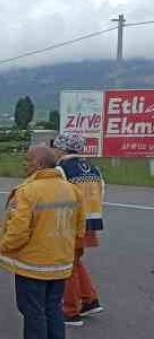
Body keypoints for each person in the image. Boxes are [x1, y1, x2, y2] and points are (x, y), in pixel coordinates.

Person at [0, 146, 85, 339]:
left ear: (40, 164)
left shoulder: (27, 191)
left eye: (27, 160)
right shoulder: (72, 190)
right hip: (61, 262)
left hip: (33, 264)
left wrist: (4, 247)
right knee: (53, 307)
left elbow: (18, 232)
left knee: (32, 309)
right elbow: (79, 227)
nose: (23, 164)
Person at [51, 133, 105, 326]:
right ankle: (89, 299)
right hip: (91, 221)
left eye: (55, 147)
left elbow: (58, 196)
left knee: (67, 266)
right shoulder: (93, 169)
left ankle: (71, 310)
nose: (53, 151)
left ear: (62, 149)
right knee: (75, 262)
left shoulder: (61, 170)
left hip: (71, 223)